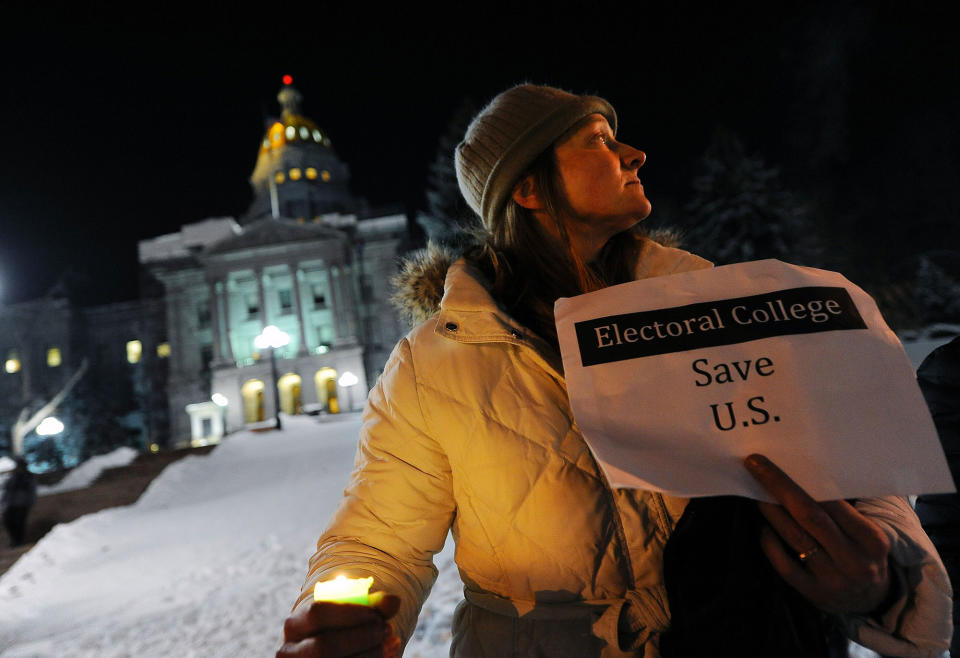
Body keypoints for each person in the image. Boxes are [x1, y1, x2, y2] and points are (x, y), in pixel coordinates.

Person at [278, 84, 951, 657]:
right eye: (598, 140)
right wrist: (347, 613)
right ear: (530, 189)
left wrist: (885, 573)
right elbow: (379, 539)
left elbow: (855, 477)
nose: (635, 153)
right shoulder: (434, 364)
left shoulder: (724, 307)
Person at [2, 456, 37, 547]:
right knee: (8, 521)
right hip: (12, 504)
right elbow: (8, 490)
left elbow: (31, 490)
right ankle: (15, 540)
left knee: (19, 523)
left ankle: (18, 541)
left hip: (23, 504)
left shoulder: (28, 477)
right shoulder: (14, 476)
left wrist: (30, 502)